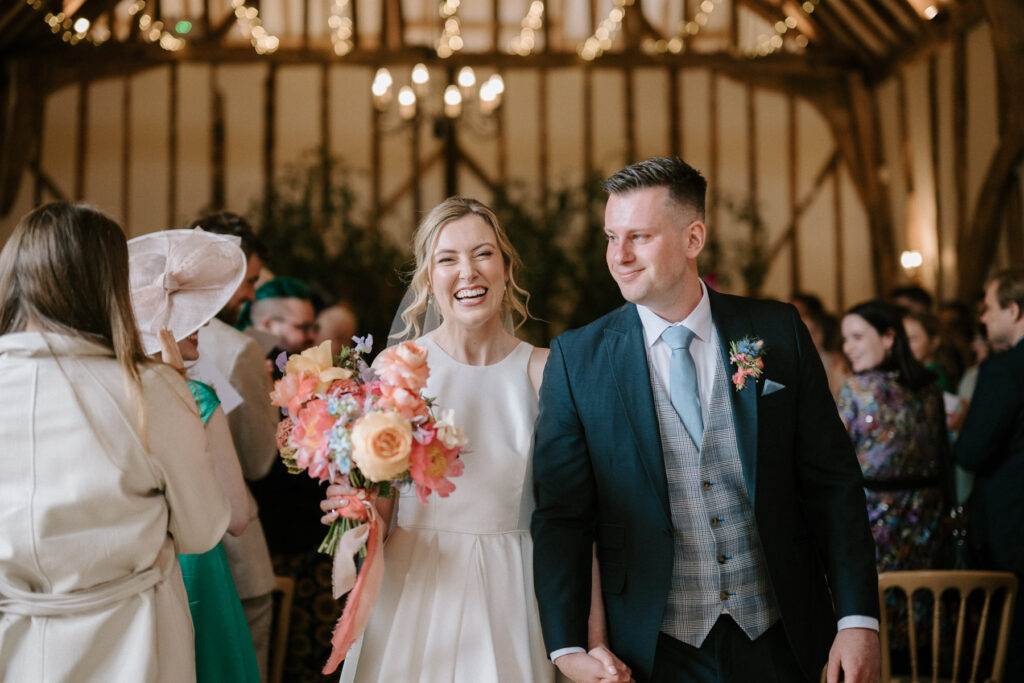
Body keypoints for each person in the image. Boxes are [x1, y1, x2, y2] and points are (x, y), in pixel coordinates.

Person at [531, 157, 880, 683]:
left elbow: (833, 484)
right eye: (610, 237)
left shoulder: (776, 331)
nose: (618, 256)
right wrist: (567, 647)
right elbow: (562, 516)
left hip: (782, 634)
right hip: (650, 647)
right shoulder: (577, 360)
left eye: (639, 237)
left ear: (693, 238)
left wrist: (857, 620)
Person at [320, 197, 591, 682]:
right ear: (428, 278)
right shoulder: (395, 370)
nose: (468, 272)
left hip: (515, 587)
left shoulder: (545, 371)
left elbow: (575, 512)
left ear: (506, 267)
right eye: (447, 259)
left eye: (483, 254)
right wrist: (355, 507)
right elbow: (382, 510)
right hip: (415, 583)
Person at [0, 202, 229, 681]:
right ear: (111, 285)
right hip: (131, 642)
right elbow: (202, 529)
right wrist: (181, 406)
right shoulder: (153, 390)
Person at [128, 226, 262, 682]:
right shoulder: (196, 397)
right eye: (188, 314)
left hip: (124, 582)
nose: (203, 324)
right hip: (195, 572)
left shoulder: (103, 393)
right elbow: (238, 517)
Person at [191, 211, 279, 681]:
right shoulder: (238, 349)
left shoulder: (133, 337)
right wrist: (274, 411)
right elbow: (260, 459)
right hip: (236, 550)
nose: (249, 294)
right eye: (249, 280)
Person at [838, 301, 948, 572]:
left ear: (888, 338)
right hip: (928, 522)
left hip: (876, 522)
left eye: (857, 337)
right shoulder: (931, 387)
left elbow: (834, 460)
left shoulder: (858, 390)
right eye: (845, 339)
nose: (847, 347)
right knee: (922, 605)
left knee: (882, 608)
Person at [956, 268, 1024, 681]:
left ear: (1014, 310)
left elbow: (971, 452)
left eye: (989, 308)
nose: (982, 319)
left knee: (1011, 651)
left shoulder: (1002, 370)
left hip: (1011, 529)